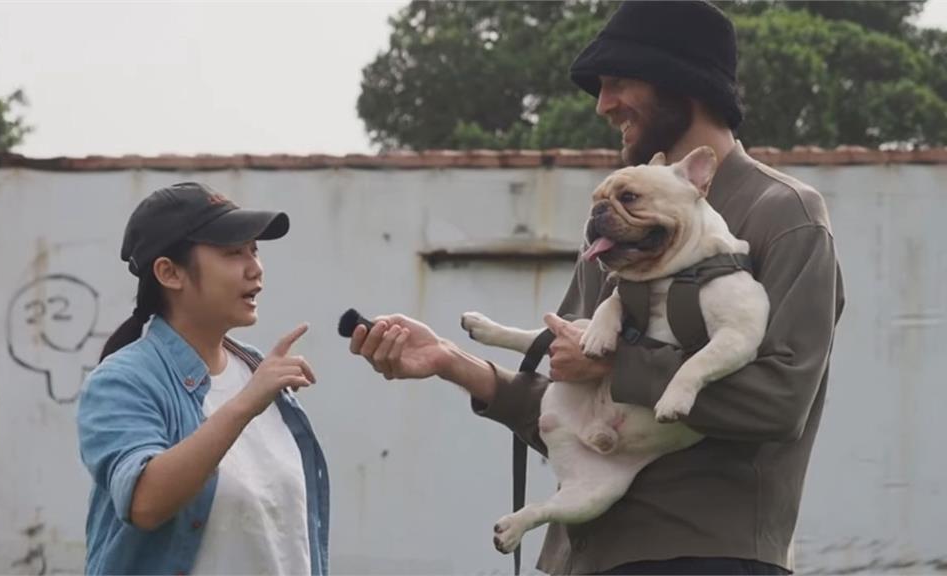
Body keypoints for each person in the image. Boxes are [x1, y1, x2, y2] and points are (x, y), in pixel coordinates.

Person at [348, 1, 844, 574]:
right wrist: (455, 364)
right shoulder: (614, 226)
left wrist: (617, 366)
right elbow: (575, 403)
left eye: (619, 82)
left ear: (686, 83)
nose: (604, 104)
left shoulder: (785, 216)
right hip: (577, 559)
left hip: (707, 556)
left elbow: (782, 404)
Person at [77, 182, 329, 575]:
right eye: (232, 252)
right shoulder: (122, 380)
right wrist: (246, 403)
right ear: (169, 272)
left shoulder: (258, 370)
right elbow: (144, 502)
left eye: (254, 250)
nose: (254, 267)